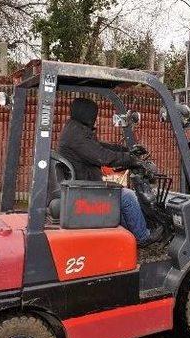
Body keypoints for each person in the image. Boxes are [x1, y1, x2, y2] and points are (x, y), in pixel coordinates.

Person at [58, 97, 162, 246]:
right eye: (95, 116)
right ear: (88, 115)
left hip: (81, 185)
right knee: (127, 197)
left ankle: (130, 236)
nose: (96, 119)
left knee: (119, 198)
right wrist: (130, 160)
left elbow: (99, 146)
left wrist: (125, 150)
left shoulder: (75, 130)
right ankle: (143, 237)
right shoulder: (77, 135)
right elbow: (102, 156)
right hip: (84, 190)